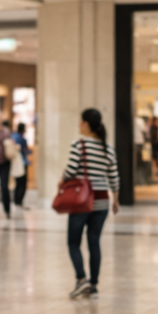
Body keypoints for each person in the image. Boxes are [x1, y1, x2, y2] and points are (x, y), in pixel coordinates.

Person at [62, 108, 120, 300]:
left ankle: (81, 279)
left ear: (86, 124)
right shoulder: (107, 148)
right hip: (103, 199)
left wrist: (62, 180)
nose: (78, 124)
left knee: (73, 241)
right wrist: (116, 199)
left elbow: (70, 170)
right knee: (94, 240)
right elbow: (113, 176)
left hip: (82, 199)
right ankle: (93, 285)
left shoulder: (79, 145)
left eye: (80, 121)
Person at [11, 122, 31, 207]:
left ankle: (16, 201)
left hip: (14, 163)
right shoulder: (22, 139)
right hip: (22, 162)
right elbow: (26, 151)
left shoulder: (12, 136)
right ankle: (19, 201)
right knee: (23, 184)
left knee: (17, 183)